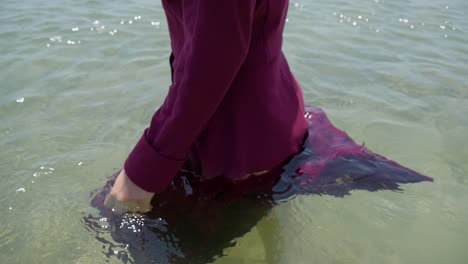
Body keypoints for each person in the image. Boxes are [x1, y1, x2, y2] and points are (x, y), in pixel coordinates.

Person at [105, 0, 309, 213]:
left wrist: (145, 172)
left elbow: (210, 62)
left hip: (231, 144)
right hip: (269, 117)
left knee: (108, 222)